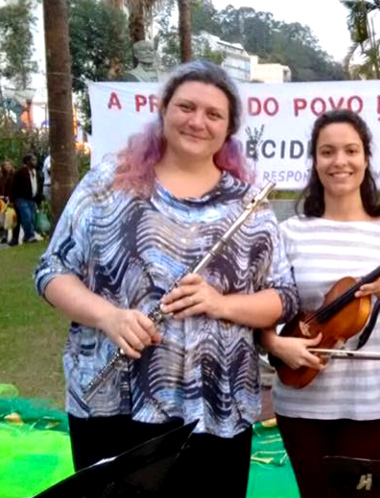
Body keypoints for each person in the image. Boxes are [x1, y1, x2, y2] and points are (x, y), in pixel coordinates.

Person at [34, 61, 299, 497]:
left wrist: (220, 303)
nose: (197, 121)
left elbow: (284, 297)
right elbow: (51, 271)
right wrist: (109, 317)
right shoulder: (109, 182)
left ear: (229, 127)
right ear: (163, 111)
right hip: (111, 399)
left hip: (215, 406)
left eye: (213, 114)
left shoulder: (249, 205)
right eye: (186, 107)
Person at [265, 109, 380, 497]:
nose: (340, 162)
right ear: (315, 162)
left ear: (366, 158)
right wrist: (274, 343)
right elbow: (270, 307)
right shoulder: (290, 232)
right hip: (302, 399)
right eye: (327, 152)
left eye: (351, 150)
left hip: (372, 399)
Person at [9, 153, 43, 245]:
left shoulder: (36, 172)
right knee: (26, 217)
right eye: (33, 160)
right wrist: (12, 200)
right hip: (22, 198)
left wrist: (38, 200)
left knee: (31, 218)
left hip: (32, 199)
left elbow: (38, 186)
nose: (35, 162)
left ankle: (26, 236)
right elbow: (13, 186)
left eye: (35, 160)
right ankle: (30, 236)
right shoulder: (20, 172)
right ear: (27, 161)